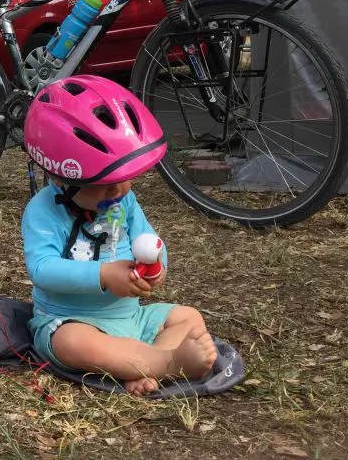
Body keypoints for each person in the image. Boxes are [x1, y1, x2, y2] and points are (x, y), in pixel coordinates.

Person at [22, 76, 217, 396]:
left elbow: (149, 240)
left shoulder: (122, 200)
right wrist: (102, 275)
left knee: (188, 317)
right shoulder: (43, 211)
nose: (121, 189)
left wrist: (156, 267)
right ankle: (165, 364)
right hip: (73, 319)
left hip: (132, 318)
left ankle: (142, 364)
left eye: (126, 178)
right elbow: (42, 269)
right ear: (62, 179)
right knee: (72, 343)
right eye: (107, 182)